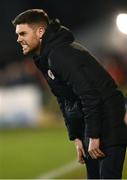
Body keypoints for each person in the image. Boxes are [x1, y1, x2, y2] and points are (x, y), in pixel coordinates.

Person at [12, 9, 127, 179]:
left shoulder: (60, 54)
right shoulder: (45, 58)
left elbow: (89, 95)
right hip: (93, 124)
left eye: (23, 33)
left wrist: (94, 135)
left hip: (110, 122)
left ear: (40, 32)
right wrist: (77, 137)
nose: (18, 39)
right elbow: (64, 99)